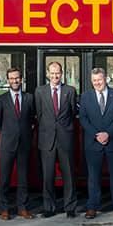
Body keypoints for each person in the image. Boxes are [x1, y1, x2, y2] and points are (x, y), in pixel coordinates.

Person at [79, 67, 113, 219]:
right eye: (94, 81)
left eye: (99, 80)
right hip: (93, 143)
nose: (97, 83)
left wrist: (108, 133)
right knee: (93, 177)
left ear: (105, 78)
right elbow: (83, 118)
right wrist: (97, 135)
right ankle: (92, 207)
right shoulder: (85, 96)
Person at [35, 61, 78, 217]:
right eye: (52, 73)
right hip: (47, 140)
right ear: (48, 74)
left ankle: (70, 207)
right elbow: (39, 115)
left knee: (69, 176)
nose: (55, 76)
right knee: (48, 176)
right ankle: (49, 207)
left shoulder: (70, 91)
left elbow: (72, 113)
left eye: (57, 73)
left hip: (65, 139)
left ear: (62, 74)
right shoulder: (39, 92)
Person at [0, 67, 35, 219]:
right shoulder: (1, 100)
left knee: (23, 178)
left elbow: (32, 119)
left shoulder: (29, 98)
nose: (14, 81)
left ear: (21, 79)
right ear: (7, 80)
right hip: (6, 145)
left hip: (24, 143)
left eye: (16, 78)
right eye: (11, 78)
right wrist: (8, 135)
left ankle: (22, 207)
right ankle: (4, 208)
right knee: (5, 178)